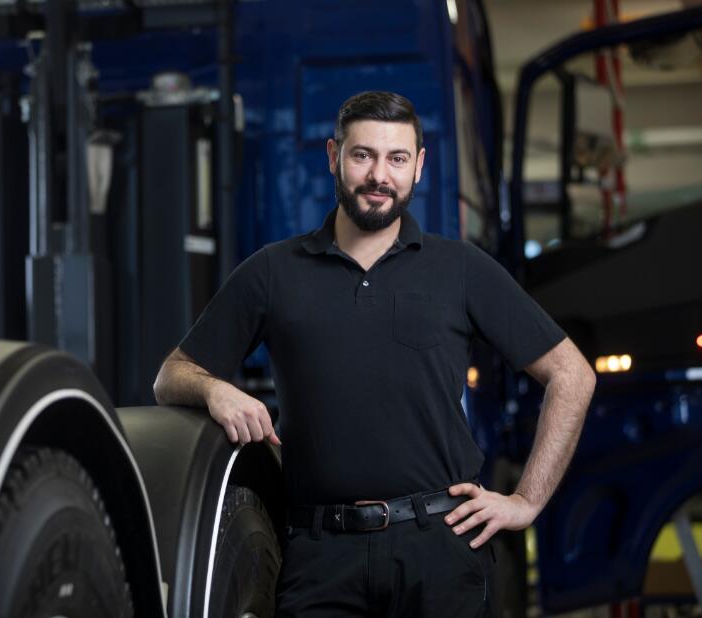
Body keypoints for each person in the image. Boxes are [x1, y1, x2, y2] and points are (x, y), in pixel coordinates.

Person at [153, 91, 596, 617]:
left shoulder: (461, 268)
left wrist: (526, 501)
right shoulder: (273, 271)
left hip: (441, 551)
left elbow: (572, 374)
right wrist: (214, 389)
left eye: (397, 158)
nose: (379, 175)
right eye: (363, 155)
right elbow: (170, 376)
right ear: (333, 156)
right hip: (319, 557)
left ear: (419, 166)